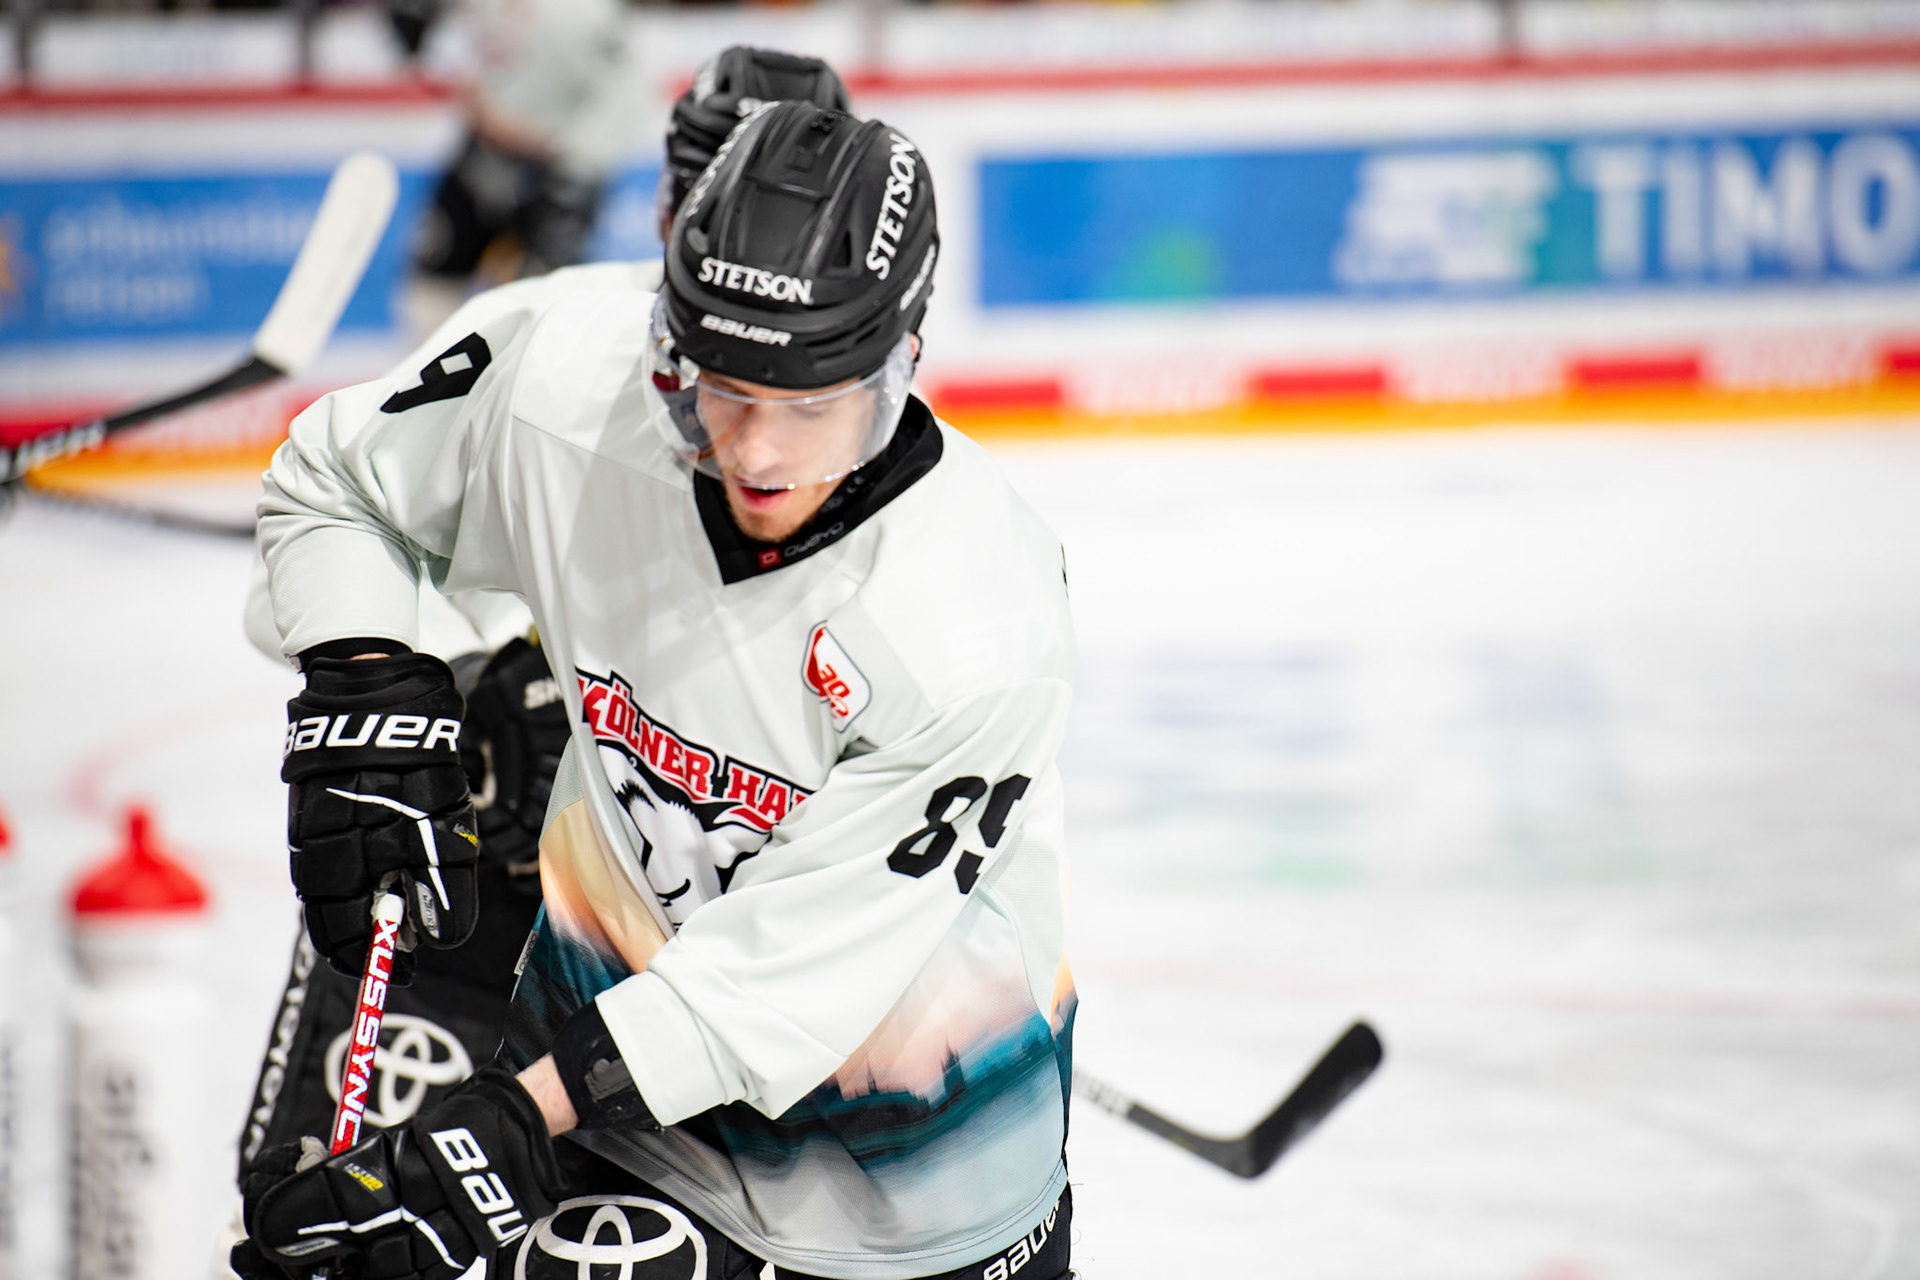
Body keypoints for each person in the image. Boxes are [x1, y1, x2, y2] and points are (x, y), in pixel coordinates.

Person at [234, 99, 1077, 1280]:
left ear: (903, 360)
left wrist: (512, 1123)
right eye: (722, 388)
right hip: (620, 1123)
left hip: (916, 1194)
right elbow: (336, 481)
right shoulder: (566, 385)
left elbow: (777, 986)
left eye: (812, 405)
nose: (756, 454)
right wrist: (365, 672)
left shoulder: (972, 612)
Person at [223, 43, 856, 1260]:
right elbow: (312, 571)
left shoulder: (862, 426)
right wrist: (449, 685)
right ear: (674, 203)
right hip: (472, 893)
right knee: (327, 1236)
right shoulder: (542, 339)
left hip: (684, 965)